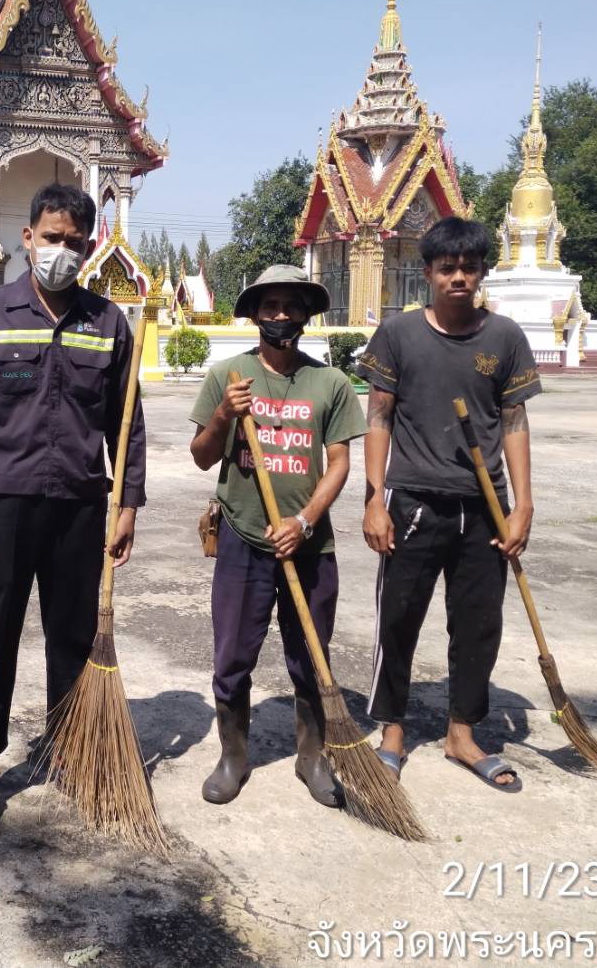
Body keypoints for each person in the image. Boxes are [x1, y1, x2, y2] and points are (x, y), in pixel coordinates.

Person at [0, 182, 146, 846]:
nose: (62, 251)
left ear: (88, 249)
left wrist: (128, 503)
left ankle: (67, 751)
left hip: (80, 505)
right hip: (1, 502)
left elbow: (125, 424)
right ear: (26, 238)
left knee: (72, 640)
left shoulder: (107, 322)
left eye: (75, 243)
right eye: (51, 238)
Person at [356, 216, 540, 791]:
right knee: (400, 618)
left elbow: (513, 421)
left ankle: (463, 735)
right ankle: (392, 731)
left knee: (479, 625)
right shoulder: (400, 335)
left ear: (482, 271)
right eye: (446, 268)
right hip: (413, 499)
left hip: (485, 507)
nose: (458, 277)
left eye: (468, 267)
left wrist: (524, 504)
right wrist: (373, 500)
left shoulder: (505, 337)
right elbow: (378, 417)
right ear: (429, 273)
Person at [189, 266, 366, 808]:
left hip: (309, 545)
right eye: (270, 306)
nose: (281, 315)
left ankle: (311, 756)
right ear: (254, 314)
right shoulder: (229, 376)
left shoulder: (329, 383)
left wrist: (305, 520)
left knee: (310, 655)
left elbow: (338, 463)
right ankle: (234, 756)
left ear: (307, 316)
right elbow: (201, 456)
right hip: (243, 536)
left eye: (292, 306)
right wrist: (223, 415)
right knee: (233, 655)